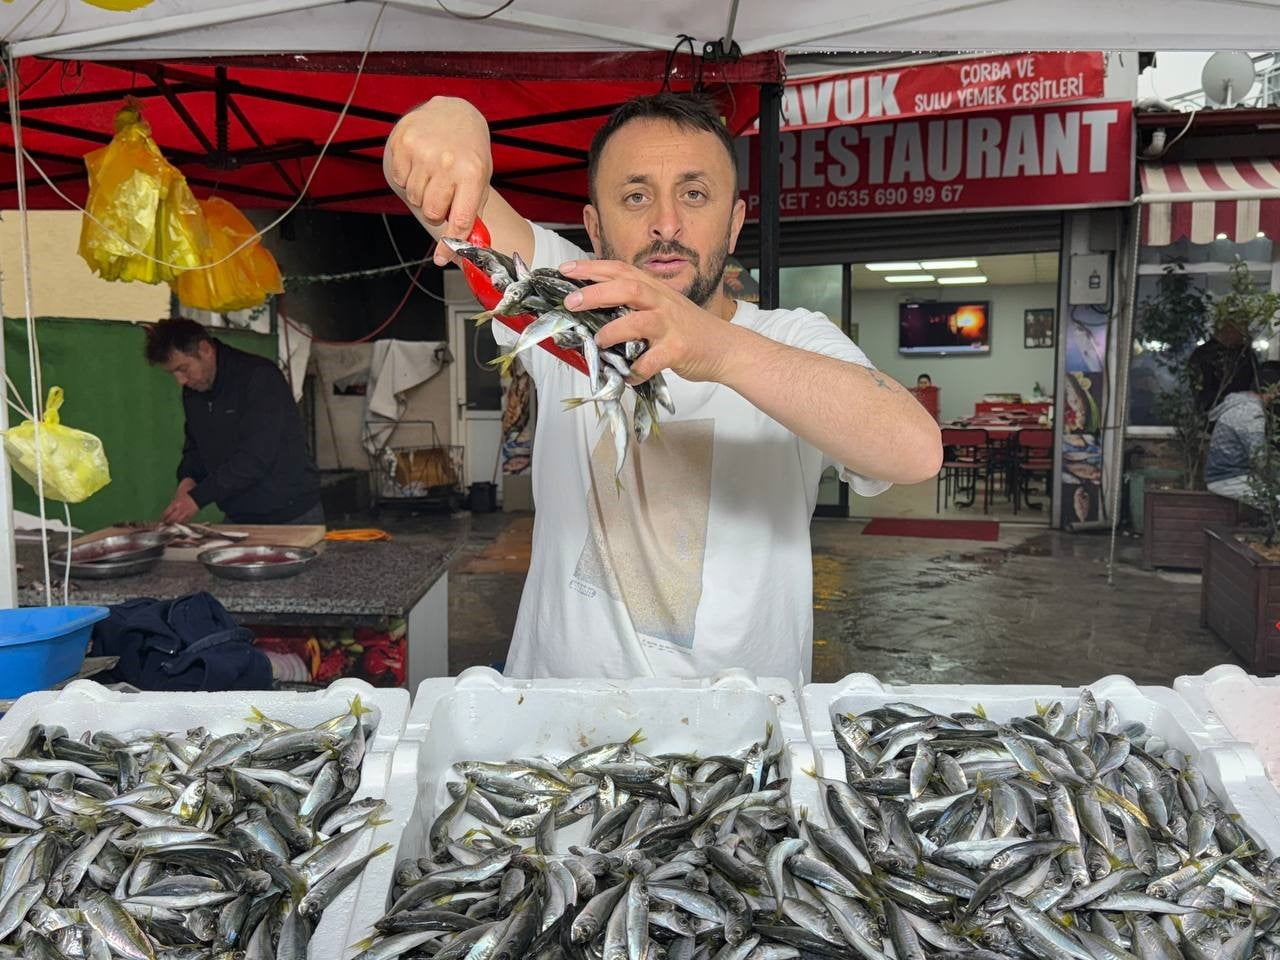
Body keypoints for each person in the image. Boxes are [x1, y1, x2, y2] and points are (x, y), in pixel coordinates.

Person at [384, 92, 941, 682]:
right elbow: (441, 189)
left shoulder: (793, 337)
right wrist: (451, 120)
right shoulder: (574, 305)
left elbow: (915, 451)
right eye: (636, 195)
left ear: (734, 222)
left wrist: (714, 347)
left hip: (744, 743)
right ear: (595, 228)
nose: (666, 223)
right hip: (557, 730)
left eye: (694, 194)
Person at [145, 319, 323, 526]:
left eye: (183, 368)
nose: (181, 380)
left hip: (291, 514)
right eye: (173, 373)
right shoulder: (193, 391)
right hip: (239, 516)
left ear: (205, 350)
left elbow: (256, 457)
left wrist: (198, 498)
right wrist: (187, 481)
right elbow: (195, 445)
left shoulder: (259, 377)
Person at [1204, 361, 1280, 501]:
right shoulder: (1250, 412)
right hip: (1229, 479)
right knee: (1276, 500)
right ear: (1273, 390)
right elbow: (1260, 459)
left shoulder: (1242, 403)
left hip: (1232, 475)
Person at [1189, 316, 1259, 414]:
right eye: (1240, 330)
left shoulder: (1246, 353)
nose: (1243, 335)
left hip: (1243, 410)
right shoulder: (1204, 354)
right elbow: (1201, 388)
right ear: (1228, 329)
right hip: (1213, 410)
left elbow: (1255, 381)